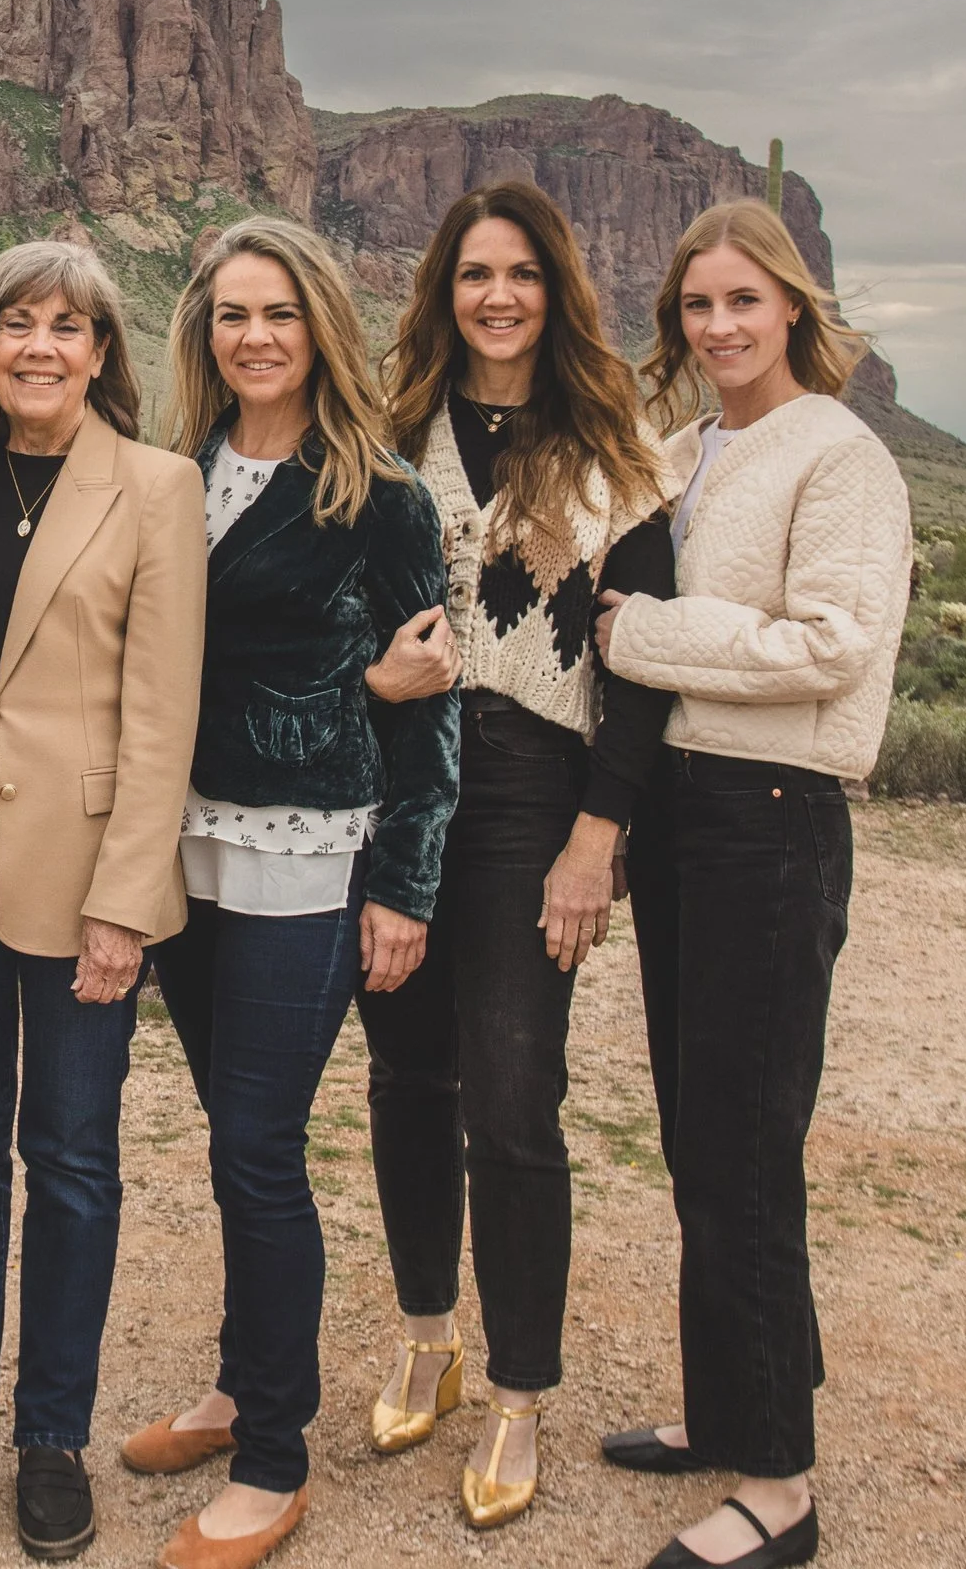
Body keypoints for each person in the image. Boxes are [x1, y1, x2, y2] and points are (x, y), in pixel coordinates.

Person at [125, 217, 460, 1569]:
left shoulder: (380, 497)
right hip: (181, 848)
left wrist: (406, 888)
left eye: (276, 312)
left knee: (259, 1146)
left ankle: (274, 1459)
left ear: (320, 323)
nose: (252, 337)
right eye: (228, 316)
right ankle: (236, 1386)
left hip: (307, 854)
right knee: (229, 1129)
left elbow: (428, 708)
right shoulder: (172, 475)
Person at [359, 180, 677, 1528]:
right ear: (445, 289)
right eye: (476, 274)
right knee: (402, 1074)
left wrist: (595, 840)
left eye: (524, 275)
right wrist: (374, 678)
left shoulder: (618, 451)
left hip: (534, 794)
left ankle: (522, 1390)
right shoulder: (385, 438)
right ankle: (427, 1330)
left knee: (512, 1094)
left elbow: (642, 672)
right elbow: (339, 607)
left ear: (557, 288)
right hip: (401, 785)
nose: (499, 296)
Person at [599, 199, 911, 1569]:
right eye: (697, 306)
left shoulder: (838, 454)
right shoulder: (679, 452)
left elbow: (831, 647)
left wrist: (645, 634)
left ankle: (781, 1488)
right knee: (696, 1135)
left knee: (743, 1149)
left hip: (772, 819)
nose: (719, 327)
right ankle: (731, 1411)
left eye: (744, 301)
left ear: (793, 306)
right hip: (683, 818)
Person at [0, 242, 206, 1560]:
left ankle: (51, 1438)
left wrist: (128, 899)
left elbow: (162, 708)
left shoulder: (157, 487)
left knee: (71, 1165)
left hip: (87, 880)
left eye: (67, 328)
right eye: (17, 322)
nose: (39, 347)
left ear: (101, 354)